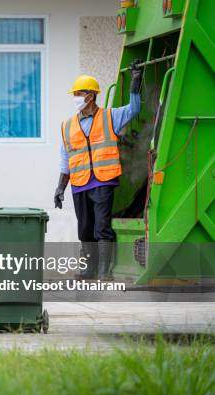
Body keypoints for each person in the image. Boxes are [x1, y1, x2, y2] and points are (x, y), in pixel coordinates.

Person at [54, 62, 142, 280]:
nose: (75, 97)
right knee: (84, 229)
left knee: (101, 227)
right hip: (79, 183)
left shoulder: (109, 117)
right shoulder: (67, 125)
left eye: (78, 93)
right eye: (74, 93)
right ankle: (89, 268)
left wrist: (135, 82)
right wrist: (59, 187)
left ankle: (104, 271)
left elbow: (134, 109)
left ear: (90, 96)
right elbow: (66, 159)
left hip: (103, 181)